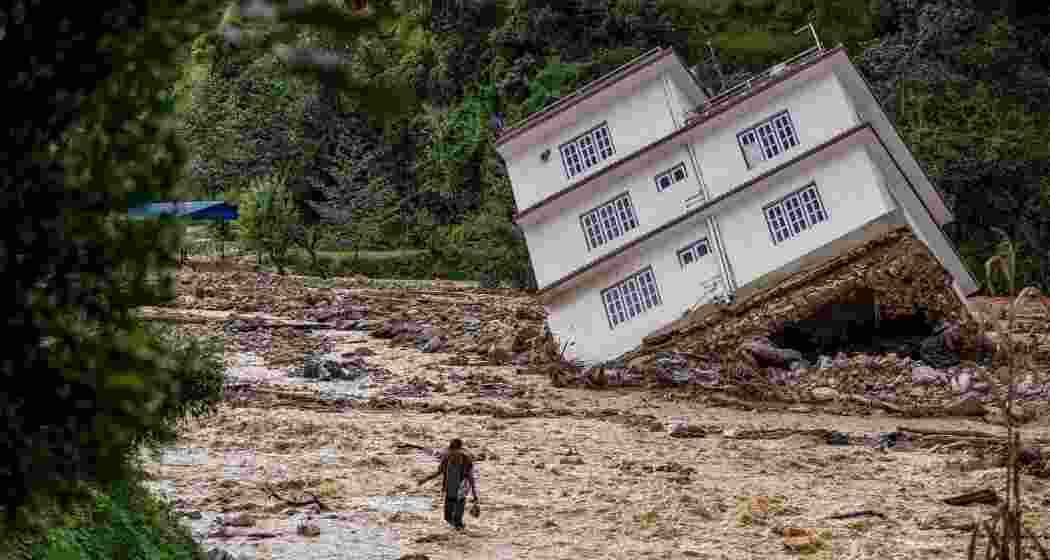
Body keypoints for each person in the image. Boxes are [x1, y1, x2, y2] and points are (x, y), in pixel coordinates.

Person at [417, 438, 479, 530]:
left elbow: (470, 478)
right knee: (447, 518)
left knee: (457, 520)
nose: (454, 453)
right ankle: (459, 533)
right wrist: (425, 479)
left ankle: (460, 534)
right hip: (450, 489)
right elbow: (439, 472)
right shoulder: (446, 459)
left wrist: (474, 495)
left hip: (461, 490)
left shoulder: (466, 460)